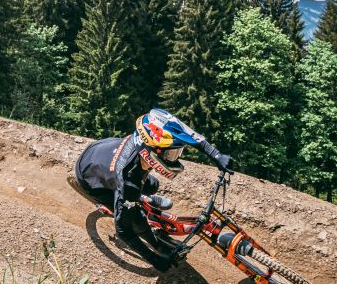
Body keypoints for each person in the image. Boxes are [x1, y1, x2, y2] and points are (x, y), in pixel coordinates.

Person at [72, 108, 232, 272]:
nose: (175, 157)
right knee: (137, 219)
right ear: (150, 151)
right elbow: (123, 231)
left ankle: (142, 199)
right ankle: (158, 244)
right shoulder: (129, 182)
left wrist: (215, 154)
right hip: (89, 178)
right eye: (171, 153)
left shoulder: (146, 137)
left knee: (153, 185)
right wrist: (155, 259)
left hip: (98, 150)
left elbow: (183, 130)